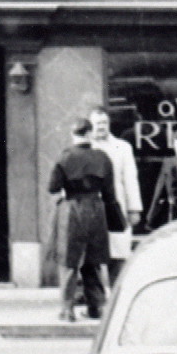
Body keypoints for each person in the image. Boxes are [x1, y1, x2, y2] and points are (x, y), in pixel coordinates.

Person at [48, 119, 125, 322]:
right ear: (90, 134)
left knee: (69, 262)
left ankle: (67, 310)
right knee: (93, 261)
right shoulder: (103, 157)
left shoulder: (64, 157)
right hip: (96, 210)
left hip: (72, 209)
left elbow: (53, 187)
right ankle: (96, 307)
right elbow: (110, 193)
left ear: (73, 134)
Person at [88, 108, 141, 262]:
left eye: (104, 122)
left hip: (117, 206)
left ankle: (116, 285)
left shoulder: (122, 147)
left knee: (118, 251)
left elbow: (130, 179)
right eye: (97, 123)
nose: (101, 126)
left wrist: (134, 209)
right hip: (91, 207)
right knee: (93, 256)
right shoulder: (84, 149)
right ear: (90, 125)